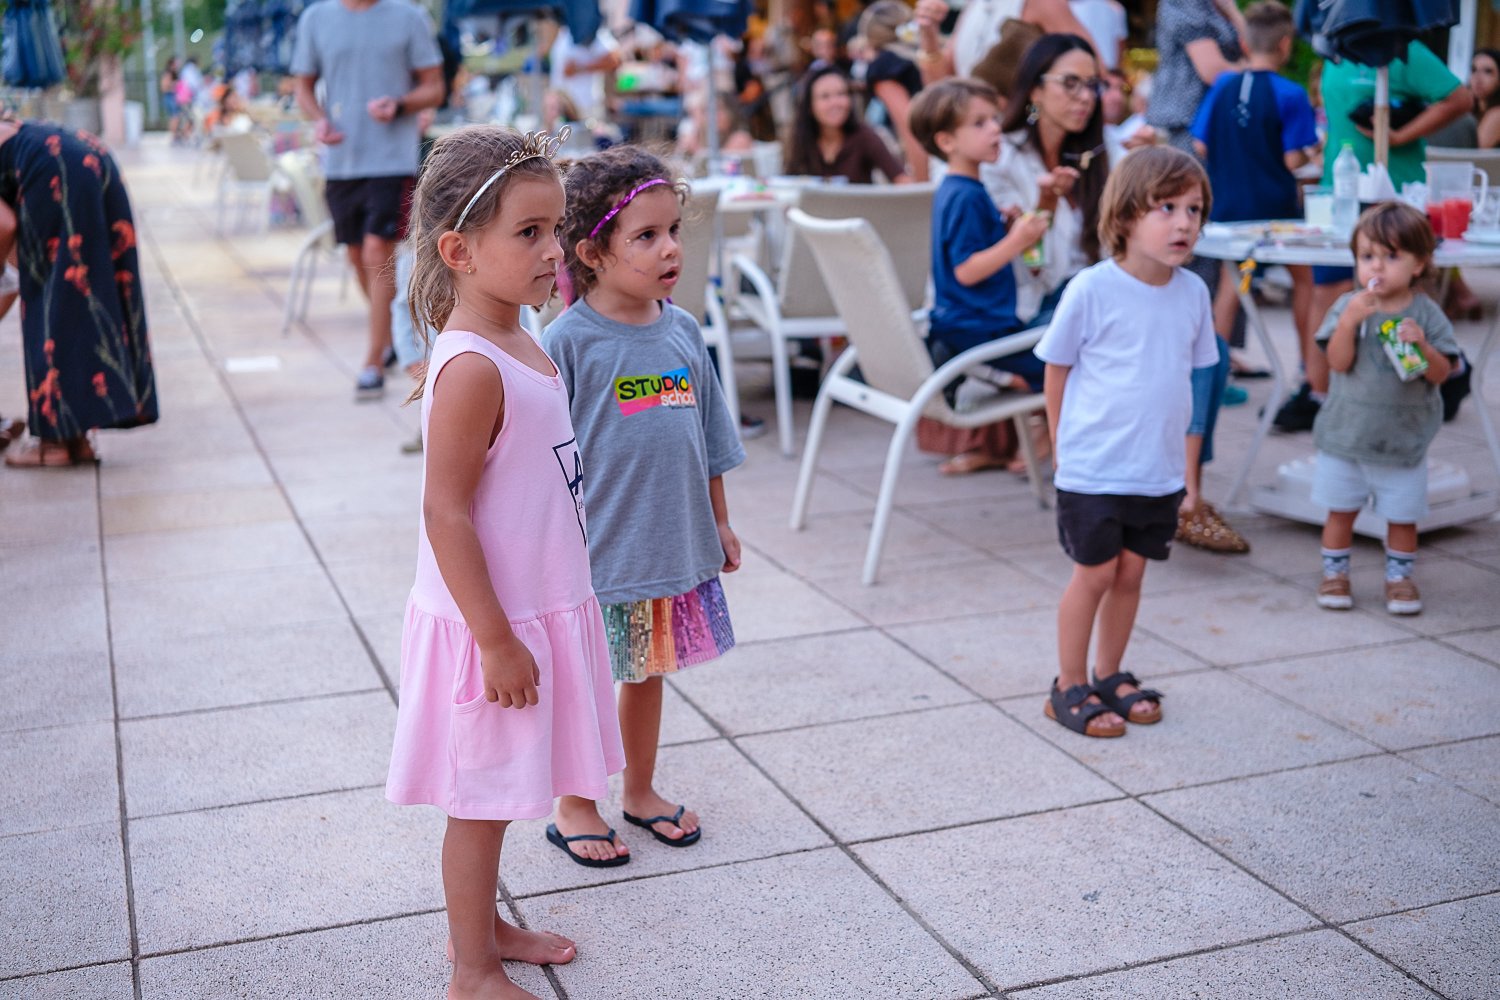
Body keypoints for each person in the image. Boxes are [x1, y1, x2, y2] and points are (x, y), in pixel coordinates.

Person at [383, 126, 625, 1000]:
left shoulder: (525, 337)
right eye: (529, 233)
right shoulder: (474, 367)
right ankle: (472, 971)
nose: (554, 250)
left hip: (536, 603)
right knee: (480, 807)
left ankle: (486, 929)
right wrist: (494, 640)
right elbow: (443, 513)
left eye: (556, 229)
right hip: (493, 623)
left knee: (507, 788)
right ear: (460, 251)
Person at [541, 146, 745, 865]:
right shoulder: (568, 343)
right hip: (594, 555)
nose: (670, 249)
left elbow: (709, 437)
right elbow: (545, 460)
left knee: (645, 674)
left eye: (673, 231)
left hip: (664, 543)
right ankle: (574, 804)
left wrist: (719, 521)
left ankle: (640, 789)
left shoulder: (682, 330)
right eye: (647, 236)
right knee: (585, 684)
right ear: (593, 253)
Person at [1034, 146, 1219, 737]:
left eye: (1194, 209)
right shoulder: (1091, 289)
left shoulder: (1194, 293)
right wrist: (1061, 447)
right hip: (1093, 467)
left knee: (1131, 574)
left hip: (1157, 470)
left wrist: (1190, 476)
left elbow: (1194, 386)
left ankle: (1109, 673)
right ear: (1125, 216)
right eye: (1167, 208)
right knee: (1094, 573)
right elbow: (1057, 370)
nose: (1184, 222)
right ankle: (1068, 684)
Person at [1182, 0, 1319, 553]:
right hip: (1276, 213)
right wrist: (1313, 150)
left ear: (1245, 42)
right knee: (1307, 281)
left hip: (1229, 211)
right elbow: (1292, 160)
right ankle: (1311, 373)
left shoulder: (1221, 88)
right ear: (1285, 45)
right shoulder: (1289, 93)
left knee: (1229, 291)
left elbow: (1199, 146)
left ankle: (1211, 370)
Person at [1281, 40, 1471, 432]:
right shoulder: (1333, 50)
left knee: (1405, 299)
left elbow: (1459, 99)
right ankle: (1318, 393)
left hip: (1395, 192)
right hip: (1340, 191)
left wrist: (1402, 134)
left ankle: (1437, 378)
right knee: (1326, 291)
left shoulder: (1401, 48)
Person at [291, 0, 444, 400]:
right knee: (356, 255)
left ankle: (373, 360)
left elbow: (434, 86)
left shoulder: (408, 17)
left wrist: (401, 104)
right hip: (340, 158)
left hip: (393, 158)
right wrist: (318, 118)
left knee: (379, 250)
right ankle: (389, 336)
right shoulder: (316, 19)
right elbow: (302, 86)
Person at [1311, 203, 1457, 616]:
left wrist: (1422, 346)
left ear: (1419, 263)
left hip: (1403, 440)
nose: (1377, 266)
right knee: (1340, 512)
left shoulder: (1426, 313)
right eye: (1367, 256)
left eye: (1391, 256)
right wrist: (1347, 323)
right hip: (1347, 435)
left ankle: (1399, 579)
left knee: (1403, 517)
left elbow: (1442, 373)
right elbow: (1337, 363)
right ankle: (1335, 574)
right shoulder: (1348, 306)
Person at [909, 77, 1051, 475]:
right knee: (1067, 363)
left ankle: (1008, 395)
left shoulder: (961, 187)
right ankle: (1059, 446)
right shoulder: (966, 195)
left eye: (994, 119)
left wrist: (1001, 228)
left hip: (965, 326)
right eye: (979, 123)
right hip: (980, 330)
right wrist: (1018, 241)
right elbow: (966, 270)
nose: (995, 129)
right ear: (946, 141)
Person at [0, 117, 158, 467]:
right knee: (81, 297)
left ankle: (53, 445)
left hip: (54, 168)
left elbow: (4, 226)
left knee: (53, 304)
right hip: (88, 157)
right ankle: (77, 439)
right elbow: (14, 273)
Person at [911, 0, 1099, 86]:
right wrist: (929, 32)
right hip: (972, 140)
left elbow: (1092, 65)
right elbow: (939, 84)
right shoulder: (974, 5)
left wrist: (1038, 108)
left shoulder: (1040, 3)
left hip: (1021, 141)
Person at [784, 65, 910, 182]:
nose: (835, 103)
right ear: (810, 106)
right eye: (825, 96)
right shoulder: (800, 140)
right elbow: (787, 185)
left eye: (841, 94)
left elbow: (901, 179)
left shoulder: (864, 136)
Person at [859, 0, 928, 180]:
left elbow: (909, 125)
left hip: (923, 154)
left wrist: (921, 182)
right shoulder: (918, 54)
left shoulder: (885, 66)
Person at [1068, 0, 1126, 71]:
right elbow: (1120, 43)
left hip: (1083, 66)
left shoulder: (1072, 6)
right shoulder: (1116, 8)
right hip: (1106, 67)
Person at [1471, 48, 1500, 148]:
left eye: (1488, 71)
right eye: (1474, 70)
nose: (1478, 78)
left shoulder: (1497, 114)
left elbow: (1470, 152)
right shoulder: (1470, 110)